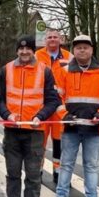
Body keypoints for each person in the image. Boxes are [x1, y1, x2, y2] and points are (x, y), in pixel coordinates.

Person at [49, 35, 99, 197]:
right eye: (78, 47)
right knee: (66, 164)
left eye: (85, 47)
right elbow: (56, 97)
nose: (82, 50)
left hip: (94, 129)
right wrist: (64, 116)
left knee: (91, 166)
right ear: (73, 50)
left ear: (91, 50)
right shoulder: (63, 71)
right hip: (71, 127)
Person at [0, 35, 60, 197]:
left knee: (33, 176)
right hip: (12, 131)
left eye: (28, 49)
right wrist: (7, 114)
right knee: (13, 174)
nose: (24, 52)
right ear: (17, 50)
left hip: (35, 132)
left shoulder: (45, 71)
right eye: (21, 49)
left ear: (33, 50)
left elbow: (53, 100)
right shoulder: (6, 70)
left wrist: (40, 116)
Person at [35, 29, 73, 183]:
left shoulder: (69, 57)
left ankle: (58, 172)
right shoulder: (37, 56)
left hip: (61, 107)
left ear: (61, 39)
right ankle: (37, 171)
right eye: (49, 37)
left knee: (59, 141)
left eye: (55, 37)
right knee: (40, 141)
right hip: (42, 106)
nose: (52, 39)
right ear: (45, 40)